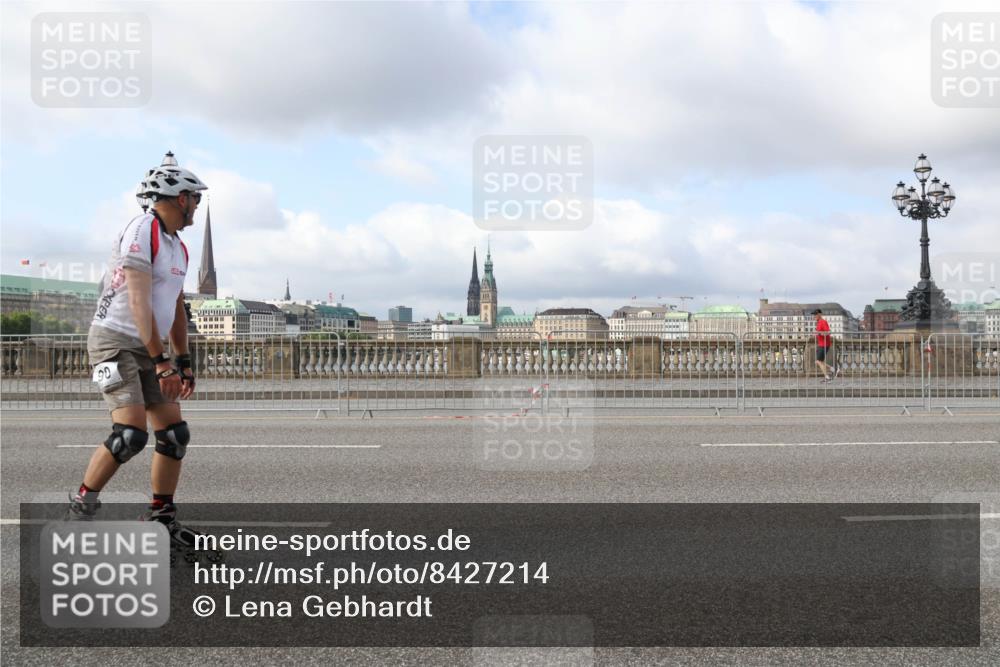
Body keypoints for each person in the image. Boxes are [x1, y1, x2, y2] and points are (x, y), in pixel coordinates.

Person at [69, 158, 214, 560]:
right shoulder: (142, 229)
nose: (197, 207)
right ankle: (81, 510)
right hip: (111, 343)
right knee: (129, 436)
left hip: (148, 346)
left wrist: (182, 360)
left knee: (173, 435)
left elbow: (175, 308)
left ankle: (161, 517)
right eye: (195, 200)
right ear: (179, 198)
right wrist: (162, 362)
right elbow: (137, 301)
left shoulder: (178, 247)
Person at [813, 308, 838, 382]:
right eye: (814, 315)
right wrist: (816, 334)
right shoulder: (819, 322)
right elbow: (820, 332)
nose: (814, 316)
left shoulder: (823, 322)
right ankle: (833, 370)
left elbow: (828, 332)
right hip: (821, 344)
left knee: (819, 361)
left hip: (824, 344)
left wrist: (820, 333)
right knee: (818, 361)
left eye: (815, 314)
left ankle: (827, 377)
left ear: (820, 314)